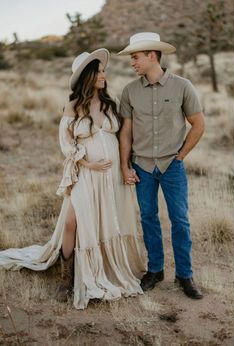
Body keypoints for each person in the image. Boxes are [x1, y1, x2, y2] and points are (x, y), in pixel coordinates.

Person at [0, 48, 146, 309]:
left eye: (104, 71)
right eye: (99, 72)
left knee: (107, 220)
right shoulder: (73, 106)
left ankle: (109, 267)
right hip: (87, 173)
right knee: (71, 222)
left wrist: (126, 166)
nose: (104, 76)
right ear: (87, 77)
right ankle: (66, 278)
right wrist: (87, 162)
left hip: (111, 176)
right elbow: (65, 143)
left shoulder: (109, 104)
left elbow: (124, 137)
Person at [118, 32, 205, 299]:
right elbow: (126, 133)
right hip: (142, 166)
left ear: (152, 55)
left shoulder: (182, 86)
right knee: (148, 218)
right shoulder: (130, 91)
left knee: (180, 220)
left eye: (136, 57)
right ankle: (155, 270)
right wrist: (125, 166)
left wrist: (180, 156)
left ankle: (184, 275)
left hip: (172, 166)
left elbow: (198, 125)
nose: (132, 63)